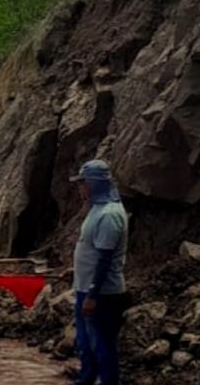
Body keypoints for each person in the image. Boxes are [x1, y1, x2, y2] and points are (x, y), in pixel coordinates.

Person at [70, 160, 130, 385]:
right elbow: (91, 249)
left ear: (94, 184)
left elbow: (104, 260)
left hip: (102, 295)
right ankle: (85, 381)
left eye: (83, 183)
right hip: (85, 290)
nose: (80, 188)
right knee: (86, 345)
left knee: (102, 347)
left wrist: (93, 295)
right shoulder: (96, 209)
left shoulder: (109, 215)